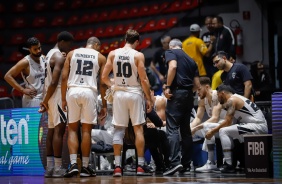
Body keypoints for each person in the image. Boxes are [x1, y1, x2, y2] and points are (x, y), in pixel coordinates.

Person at [101, 29, 153, 177]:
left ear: (125, 39)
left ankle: (117, 167)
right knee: (138, 130)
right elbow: (143, 80)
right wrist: (149, 98)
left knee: (118, 129)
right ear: (137, 41)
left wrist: (113, 85)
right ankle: (140, 166)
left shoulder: (113, 53)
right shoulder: (138, 55)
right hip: (134, 93)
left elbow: (104, 77)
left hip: (119, 94)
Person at [61, 37, 107, 177]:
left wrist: (63, 98)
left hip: (73, 90)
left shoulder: (71, 53)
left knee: (73, 129)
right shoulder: (100, 57)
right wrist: (104, 104)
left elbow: (64, 78)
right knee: (86, 131)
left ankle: (74, 164)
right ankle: (85, 167)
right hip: (89, 92)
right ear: (96, 45)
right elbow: (103, 83)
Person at [205, 84, 268, 173]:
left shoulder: (232, 100)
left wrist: (212, 131)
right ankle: (234, 162)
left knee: (224, 131)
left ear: (222, 93)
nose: (218, 99)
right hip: (255, 125)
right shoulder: (237, 98)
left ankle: (229, 164)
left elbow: (227, 122)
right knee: (230, 133)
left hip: (258, 126)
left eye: (218, 95)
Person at [38, 31, 74, 178]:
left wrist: (46, 99)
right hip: (57, 95)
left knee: (51, 131)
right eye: (68, 45)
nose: (68, 48)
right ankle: (58, 167)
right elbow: (54, 82)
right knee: (59, 131)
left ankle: (50, 168)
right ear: (62, 41)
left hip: (50, 96)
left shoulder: (48, 55)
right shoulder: (59, 56)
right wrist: (45, 101)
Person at [163, 39, 200, 176]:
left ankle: (174, 163)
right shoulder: (191, 60)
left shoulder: (170, 52)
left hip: (176, 94)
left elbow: (172, 67)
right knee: (186, 131)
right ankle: (186, 164)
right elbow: (197, 84)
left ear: (172, 46)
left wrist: (168, 86)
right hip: (189, 95)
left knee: (172, 128)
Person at [189, 77, 228, 172]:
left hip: (225, 124)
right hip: (215, 126)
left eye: (199, 89)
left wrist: (196, 128)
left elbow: (215, 118)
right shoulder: (202, 99)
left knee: (207, 127)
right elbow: (198, 118)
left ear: (206, 87)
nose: (197, 92)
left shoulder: (217, 95)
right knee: (188, 131)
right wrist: (190, 129)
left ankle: (211, 162)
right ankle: (187, 161)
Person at [4, 37, 45, 107]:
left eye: (39, 48)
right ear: (29, 49)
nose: (38, 51)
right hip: (33, 99)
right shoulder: (25, 62)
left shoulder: (43, 57)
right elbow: (7, 76)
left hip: (44, 97)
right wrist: (23, 90)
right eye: (35, 49)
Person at [144, 90, 170, 174]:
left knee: (154, 133)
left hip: (130, 134)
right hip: (140, 133)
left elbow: (161, 121)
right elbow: (158, 122)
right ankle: (164, 164)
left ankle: (161, 163)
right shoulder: (144, 103)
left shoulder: (159, 101)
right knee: (155, 134)